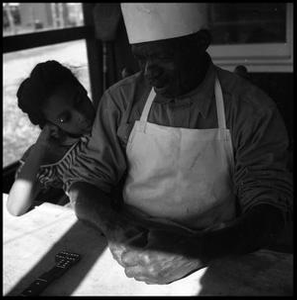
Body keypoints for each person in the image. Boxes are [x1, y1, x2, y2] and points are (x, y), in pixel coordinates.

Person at [62, 3, 293, 285]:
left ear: (200, 43)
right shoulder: (122, 100)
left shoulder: (249, 109)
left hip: (215, 251)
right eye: (141, 59)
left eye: (162, 56)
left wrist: (198, 249)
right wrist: (115, 227)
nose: (149, 72)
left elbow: (270, 209)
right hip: (132, 250)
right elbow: (85, 183)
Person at [7, 60, 95, 216]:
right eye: (64, 118)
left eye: (79, 101)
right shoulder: (56, 156)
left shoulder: (110, 116)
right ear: (50, 126)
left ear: (82, 89)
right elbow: (15, 207)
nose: (81, 116)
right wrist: (41, 146)